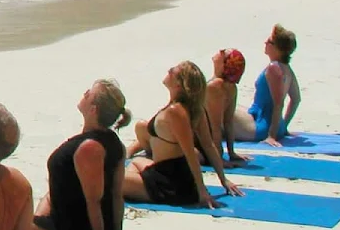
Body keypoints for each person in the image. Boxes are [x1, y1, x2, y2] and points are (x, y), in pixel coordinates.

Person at [31, 80, 147, 230]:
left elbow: (95, 201)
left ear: (93, 110)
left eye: (89, 94)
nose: (84, 92)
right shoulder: (113, 142)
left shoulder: (90, 148)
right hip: (74, 225)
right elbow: (116, 195)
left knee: (4, 224)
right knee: (46, 198)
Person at [123, 61, 244, 207]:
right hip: (166, 172)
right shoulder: (192, 109)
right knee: (135, 162)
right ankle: (131, 187)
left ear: (179, 84)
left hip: (169, 183)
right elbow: (209, 146)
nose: (169, 70)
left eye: (172, 70)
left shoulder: (176, 112)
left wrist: (202, 191)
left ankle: (130, 189)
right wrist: (223, 180)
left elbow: (190, 154)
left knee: (109, 178)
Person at [233, 25, 301, 147]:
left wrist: (271, 136)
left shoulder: (273, 68)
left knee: (220, 106)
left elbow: (278, 103)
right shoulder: (287, 69)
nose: (265, 42)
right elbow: (296, 99)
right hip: (272, 123)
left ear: (278, 48)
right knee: (233, 105)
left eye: (269, 41)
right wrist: (283, 126)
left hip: (261, 126)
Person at [203, 48, 248, 165]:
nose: (221, 51)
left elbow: (215, 126)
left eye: (225, 53)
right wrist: (231, 152)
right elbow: (228, 122)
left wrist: (218, 158)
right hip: (205, 143)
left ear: (224, 65)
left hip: (201, 143)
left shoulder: (215, 86)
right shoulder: (232, 87)